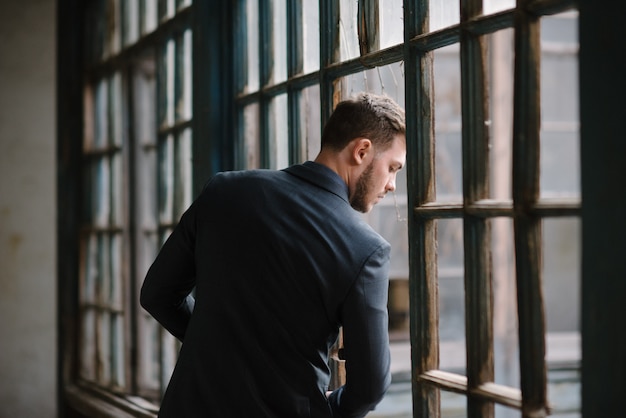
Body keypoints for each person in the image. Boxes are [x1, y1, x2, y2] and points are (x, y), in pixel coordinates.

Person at [140, 92, 406, 418]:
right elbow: (370, 387)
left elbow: (157, 294)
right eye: (392, 167)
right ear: (362, 150)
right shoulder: (366, 249)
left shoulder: (223, 191)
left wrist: (220, 348)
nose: (392, 184)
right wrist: (321, 407)